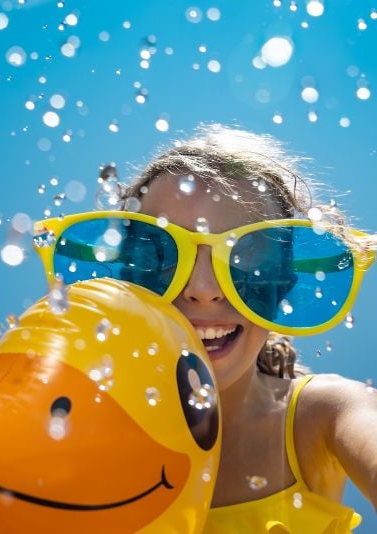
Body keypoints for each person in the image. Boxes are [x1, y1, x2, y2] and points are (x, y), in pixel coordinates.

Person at [35, 124, 377, 531]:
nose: (202, 290)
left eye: (248, 263)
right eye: (159, 258)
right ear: (126, 284)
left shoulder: (328, 414)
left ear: (281, 286)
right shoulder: (86, 431)